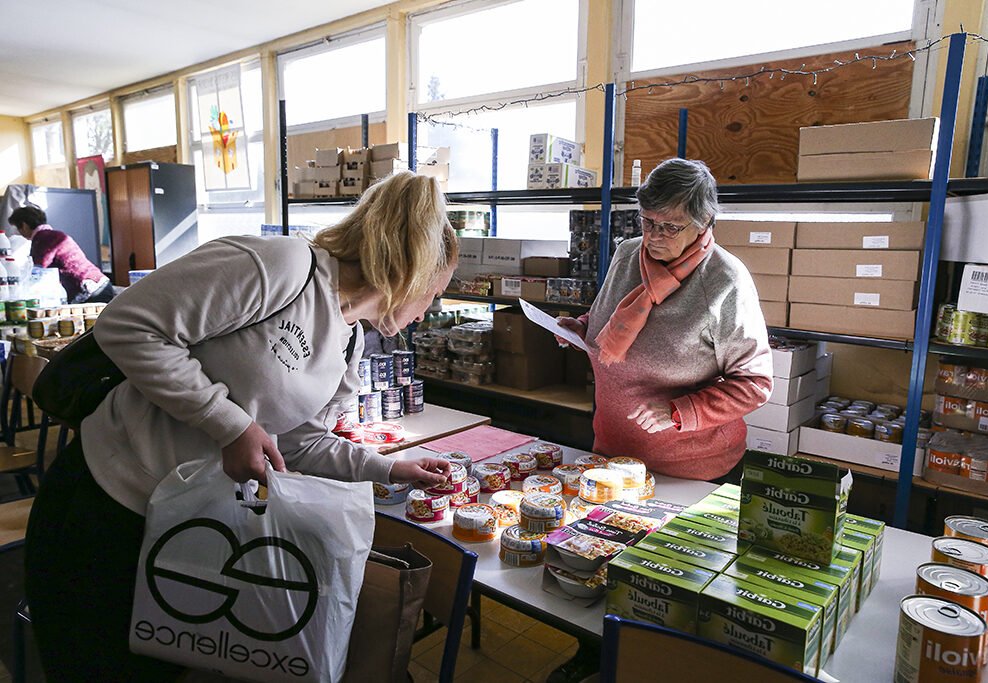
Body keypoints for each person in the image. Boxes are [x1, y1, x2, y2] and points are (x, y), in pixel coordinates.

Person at [24, 171, 456, 682]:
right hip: (109, 506)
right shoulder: (285, 267)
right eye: (435, 292)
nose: (432, 308)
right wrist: (230, 426)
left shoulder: (349, 341)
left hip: (190, 526)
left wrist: (390, 469)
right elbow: (129, 325)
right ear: (410, 270)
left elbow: (301, 441)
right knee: (92, 665)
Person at [548, 159, 773, 682]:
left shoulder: (726, 281)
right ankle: (594, 656)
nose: (654, 236)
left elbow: (755, 382)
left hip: (690, 468)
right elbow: (606, 320)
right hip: (614, 454)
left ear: (704, 223)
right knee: (599, 565)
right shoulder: (629, 254)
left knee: (666, 583)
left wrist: (682, 411)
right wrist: (576, 327)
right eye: (647, 221)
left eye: (669, 226)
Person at [8, 204, 115, 303]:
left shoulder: (42, 239)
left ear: (24, 225)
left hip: (91, 291)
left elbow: (38, 272)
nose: (19, 233)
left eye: (18, 228)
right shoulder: (52, 235)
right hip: (98, 284)